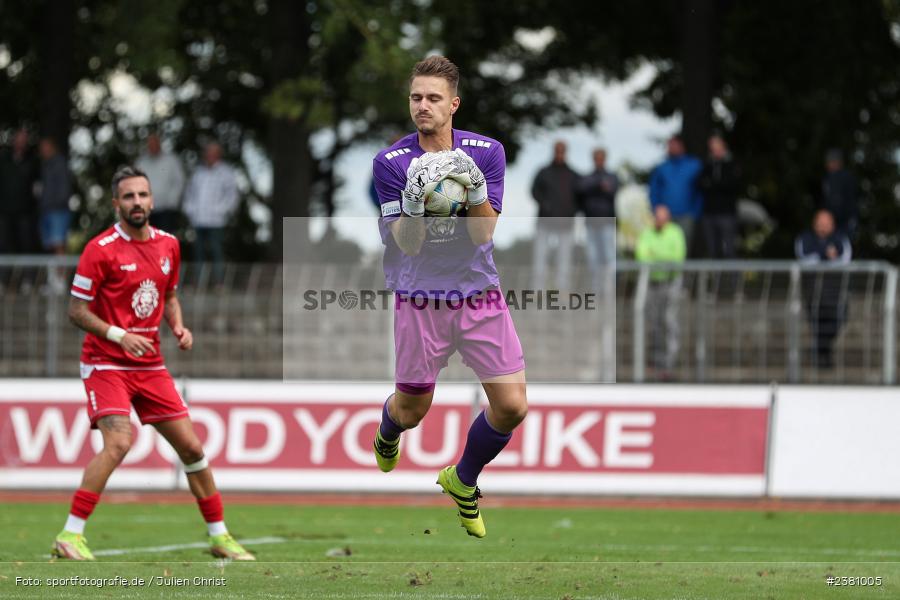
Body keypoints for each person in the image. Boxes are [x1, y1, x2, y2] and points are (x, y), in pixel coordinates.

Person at [53, 166, 253, 561]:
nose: (137, 202)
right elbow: (76, 311)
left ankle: (219, 536)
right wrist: (118, 335)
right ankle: (70, 534)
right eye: (128, 197)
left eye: (143, 195)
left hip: (150, 365)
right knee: (119, 443)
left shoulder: (168, 245)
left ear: (152, 200)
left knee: (192, 448)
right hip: (106, 362)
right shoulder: (101, 249)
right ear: (116, 204)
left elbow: (170, 295)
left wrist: (178, 326)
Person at [371, 55, 527, 538]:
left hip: (479, 294)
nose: (423, 106)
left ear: (453, 104)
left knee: (513, 406)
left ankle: (462, 479)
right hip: (420, 300)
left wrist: (475, 186)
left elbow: (483, 235)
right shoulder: (391, 163)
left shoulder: (486, 152)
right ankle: (387, 430)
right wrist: (415, 202)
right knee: (413, 411)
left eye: (433, 98)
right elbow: (409, 243)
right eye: (416, 97)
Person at [795, 209, 852, 368]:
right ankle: (823, 356)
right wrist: (826, 254)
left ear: (832, 224)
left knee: (838, 320)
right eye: (820, 222)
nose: (823, 226)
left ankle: (821, 351)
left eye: (826, 222)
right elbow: (805, 259)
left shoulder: (840, 238)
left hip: (835, 289)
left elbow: (843, 259)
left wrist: (820, 257)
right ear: (814, 223)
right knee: (818, 324)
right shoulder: (805, 238)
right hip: (813, 290)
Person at [635, 204, 686, 379]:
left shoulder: (675, 232)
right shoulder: (647, 233)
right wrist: (659, 259)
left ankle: (670, 362)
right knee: (654, 322)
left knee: (670, 320)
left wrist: (655, 257)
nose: (659, 220)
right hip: (653, 282)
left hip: (671, 281)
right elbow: (641, 254)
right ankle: (656, 360)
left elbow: (677, 256)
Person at [183, 142, 239, 285]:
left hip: (216, 221)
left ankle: (219, 283)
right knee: (198, 253)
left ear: (218, 154)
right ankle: (198, 283)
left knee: (217, 252)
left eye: (212, 153)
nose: (209, 156)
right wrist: (190, 209)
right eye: (207, 152)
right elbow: (189, 194)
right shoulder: (198, 173)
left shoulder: (226, 173)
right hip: (199, 219)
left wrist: (222, 210)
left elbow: (232, 196)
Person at [530, 141, 579, 290]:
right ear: (553, 151)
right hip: (545, 222)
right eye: (557, 150)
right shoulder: (543, 172)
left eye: (562, 151)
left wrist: (572, 211)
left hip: (566, 224)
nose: (560, 153)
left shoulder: (573, 175)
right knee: (540, 258)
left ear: (565, 152)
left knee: (564, 260)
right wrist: (545, 204)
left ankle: (562, 291)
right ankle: (538, 290)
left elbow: (579, 197)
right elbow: (534, 191)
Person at [649, 134, 702, 250]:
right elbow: (654, 190)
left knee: (684, 248)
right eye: (669, 145)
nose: (670, 148)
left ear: (681, 146)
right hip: (665, 216)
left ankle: (681, 269)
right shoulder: (662, 167)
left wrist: (695, 212)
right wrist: (656, 209)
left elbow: (700, 191)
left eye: (673, 145)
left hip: (687, 216)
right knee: (663, 247)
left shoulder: (694, 165)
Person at [577, 148, 619, 292]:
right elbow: (581, 188)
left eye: (601, 158)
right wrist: (599, 186)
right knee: (593, 259)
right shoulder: (587, 177)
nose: (599, 160)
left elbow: (613, 189)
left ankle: (610, 290)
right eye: (597, 158)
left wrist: (596, 188)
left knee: (608, 257)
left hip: (607, 223)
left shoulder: (612, 176)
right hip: (591, 224)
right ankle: (595, 291)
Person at [698, 134, 741, 258]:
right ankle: (717, 278)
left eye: (717, 146)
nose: (714, 150)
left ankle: (732, 277)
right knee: (713, 251)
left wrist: (712, 184)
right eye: (712, 147)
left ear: (723, 146)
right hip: (709, 213)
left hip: (727, 213)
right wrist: (716, 184)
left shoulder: (732, 164)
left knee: (729, 250)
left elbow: (731, 185)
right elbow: (699, 183)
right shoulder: (707, 165)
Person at [135, 132, 186, 235]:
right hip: (146, 210)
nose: (152, 147)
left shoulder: (171, 160)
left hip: (166, 209)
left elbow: (179, 181)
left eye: (154, 143)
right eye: (150, 144)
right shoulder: (141, 162)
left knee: (165, 240)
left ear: (159, 144)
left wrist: (173, 201)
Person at [0, 128, 39, 254]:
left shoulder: (33, 161)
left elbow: (37, 187)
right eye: (19, 139)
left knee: (26, 242)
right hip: (4, 210)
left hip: (25, 211)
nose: (21, 143)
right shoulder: (3, 159)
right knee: (4, 242)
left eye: (24, 140)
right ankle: (4, 273)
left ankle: (27, 273)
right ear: (14, 140)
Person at [37, 136, 72, 255]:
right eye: (41, 148)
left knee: (59, 243)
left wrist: (57, 202)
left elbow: (64, 188)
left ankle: (61, 274)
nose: (43, 150)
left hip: (58, 210)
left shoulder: (60, 163)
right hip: (46, 209)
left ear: (52, 147)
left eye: (45, 146)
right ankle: (53, 273)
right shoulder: (45, 165)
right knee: (50, 244)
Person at [820, 149, 858, 239]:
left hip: (845, 219)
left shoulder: (846, 177)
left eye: (833, 161)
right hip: (831, 220)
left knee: (844, 243)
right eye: (829, 161)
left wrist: (851, 218)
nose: (831, 164)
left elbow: (850, 199)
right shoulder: (827, 179)